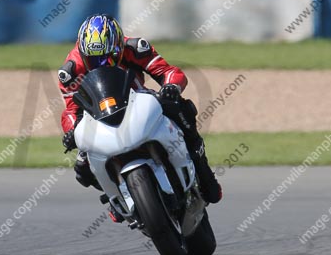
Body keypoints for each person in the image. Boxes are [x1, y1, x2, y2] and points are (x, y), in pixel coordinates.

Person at [58, 14, 222, 207]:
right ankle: (117, 198)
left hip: (141, 102)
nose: (102, 64)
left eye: (108, 57)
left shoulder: (135, 48)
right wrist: (72, 130)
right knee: (82, 171)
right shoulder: (70, 71)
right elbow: (71, 111)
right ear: (82, 52)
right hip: (99, 116)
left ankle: (202, 170)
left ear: (119, 45)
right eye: (93, 60)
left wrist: (171, 87)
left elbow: (170, 72)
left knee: (180, 108)